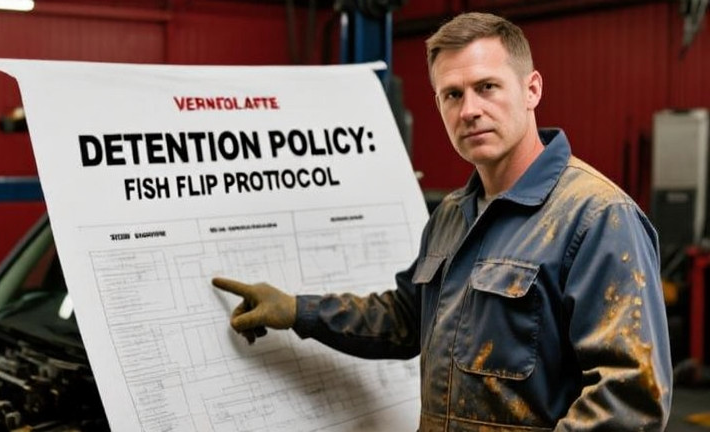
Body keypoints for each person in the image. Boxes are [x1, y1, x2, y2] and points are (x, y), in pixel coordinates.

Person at [212, 11, 673, 431]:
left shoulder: (595, 218)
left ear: (531, 89)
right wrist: (298, 310)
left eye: (487, 87)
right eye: (452, 94)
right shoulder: (451, 215)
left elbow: (627, 398)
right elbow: (405, 318)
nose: (469, 110)